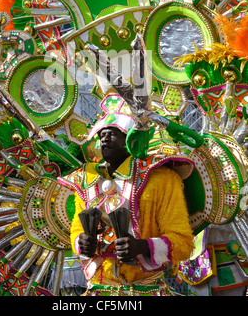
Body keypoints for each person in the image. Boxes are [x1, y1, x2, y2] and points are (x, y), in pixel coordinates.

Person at [59, 94, 195, 296]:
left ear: (132, 136)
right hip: (98, 290)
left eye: (114, 132)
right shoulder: (87, 180)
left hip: (145, 289)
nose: (105, 137)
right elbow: (76, 230)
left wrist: (143, 246)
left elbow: (183, 243)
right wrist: (82, 243)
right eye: (101, 133)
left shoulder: (161, 179)